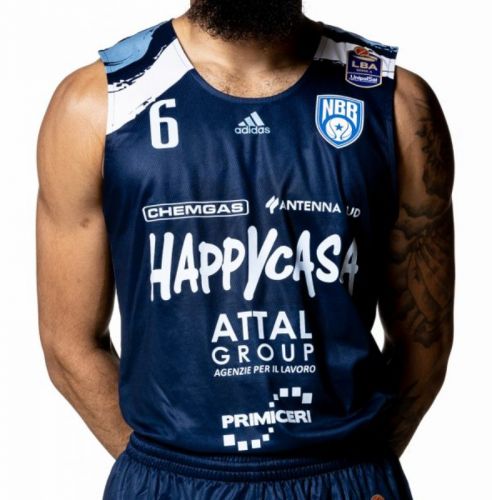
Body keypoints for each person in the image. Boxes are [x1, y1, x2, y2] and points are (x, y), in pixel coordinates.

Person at [36, 1, 455, 498]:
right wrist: (166, 470)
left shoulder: (397, 103)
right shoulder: (96, 104)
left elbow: (424, 340)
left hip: (345, 474)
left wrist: (355, 468)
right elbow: (69, 344)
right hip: (170, 478)